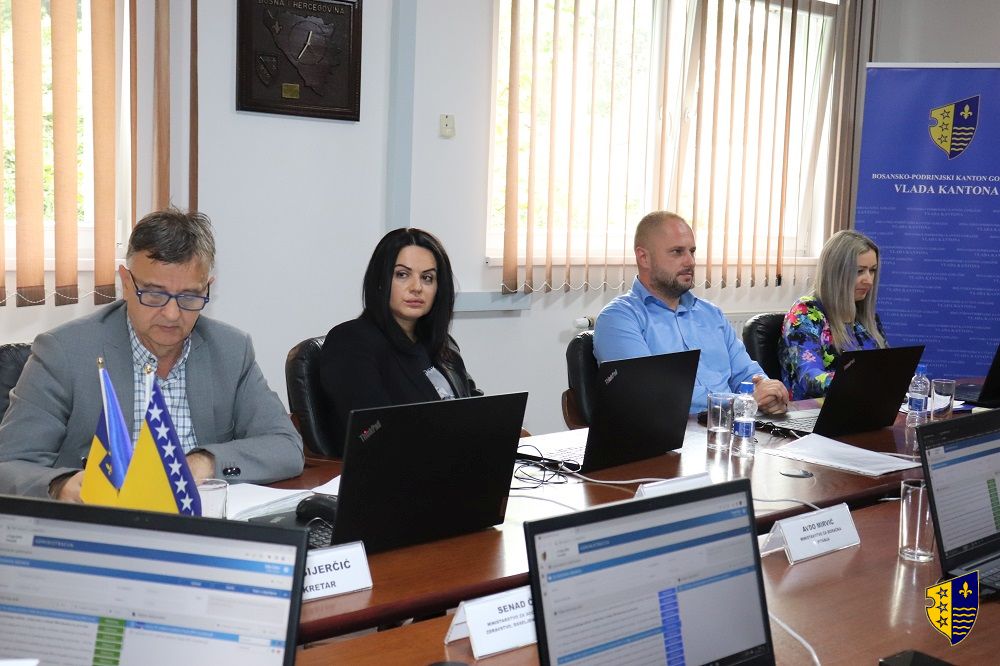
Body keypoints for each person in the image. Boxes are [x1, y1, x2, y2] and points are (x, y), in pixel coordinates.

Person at [0, 209, 304, 500]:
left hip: (201, 523)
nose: (172, 314)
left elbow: (285, 447)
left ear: (207, 288)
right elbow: (9, 465)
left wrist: (205, 461)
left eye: (189, 296)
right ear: (126, 283)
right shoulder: (65, 352)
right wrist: (61, 486)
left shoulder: (230, 350)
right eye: (155, 294)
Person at [593, 211, 789, 415]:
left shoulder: (711, 314)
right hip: (673, 432)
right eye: (677, 252)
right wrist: (743, 403)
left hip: (730, 427)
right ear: (644, 258)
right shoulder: (618, 319)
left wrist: (768, 392)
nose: (690, 262)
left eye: (692, 251)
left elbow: (747, 373)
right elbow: (653, 395)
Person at [320, 228, 480, 447]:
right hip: (401, 465)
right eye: (402, 275)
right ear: (380, 280)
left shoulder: (443, 345)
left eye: (427, 278)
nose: (417, 288)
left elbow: (476, 406)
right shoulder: (350, 342)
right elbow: (369, 432)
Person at [779, 229, 887, 400]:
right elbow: (809, 379)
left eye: (872, 270)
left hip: (863, 407)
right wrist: (863, 382)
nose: (869, 280)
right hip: (814, 412)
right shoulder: (806, 313)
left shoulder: (868, 317)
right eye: (859, 271)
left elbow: (886, 369)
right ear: (835, 272)